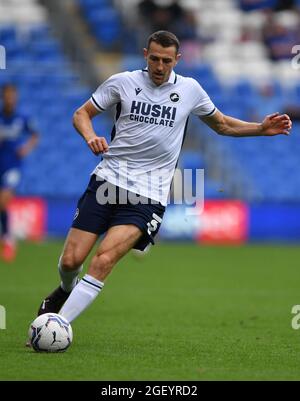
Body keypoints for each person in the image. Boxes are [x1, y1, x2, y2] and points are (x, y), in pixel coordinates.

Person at [31, 31, 292, 328]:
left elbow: (221, 124)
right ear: (145, 54)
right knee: (70, 262)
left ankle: (58, 325)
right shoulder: (123, 82)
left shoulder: (190, 90)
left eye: (166, 61)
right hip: (107, 182)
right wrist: (90, 137)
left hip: (148, 194)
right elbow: (81, 114)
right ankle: (65, 291)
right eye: (154, 58)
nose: (159, 66)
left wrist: (260, 128)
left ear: (177, 60)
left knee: (103, 260)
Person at [0, 84, 39, 262]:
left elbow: (35, 134)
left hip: (13, 166)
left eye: (12, 96)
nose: (10, 99)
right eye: (7, 96)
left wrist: (26, 148)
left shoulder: (22, 118)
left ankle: (8, 239)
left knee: (3, 200)